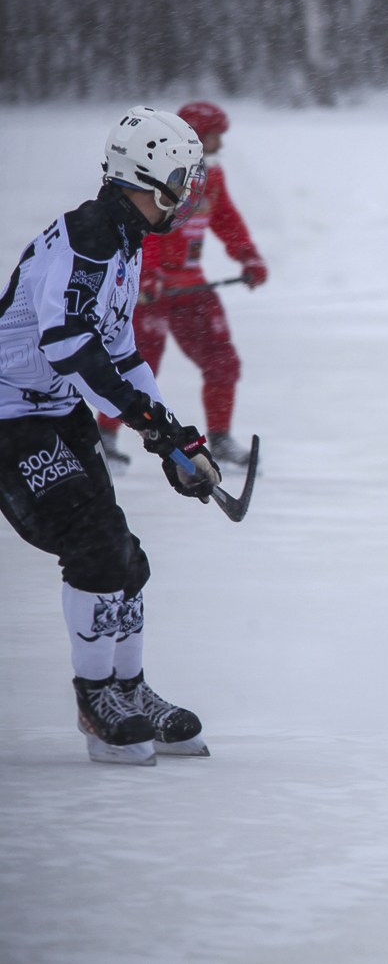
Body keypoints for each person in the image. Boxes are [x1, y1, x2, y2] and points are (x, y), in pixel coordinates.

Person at [1, 106, 222, 765]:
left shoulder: (123, 243)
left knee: (125, 555)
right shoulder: (89, 239)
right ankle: (98, 698)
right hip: (13, 417)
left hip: (57, 410)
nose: (184, 197)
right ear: (145, 180)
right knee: (94, 546)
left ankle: (129, 688)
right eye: (179, 182)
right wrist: (154, 431)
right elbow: (73, 349)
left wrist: (178, 436)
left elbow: (122, 358)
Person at [97, 101, 267, 471]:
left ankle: (220, 438)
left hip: (191, 284)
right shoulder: (164, 176)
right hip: (151, 287)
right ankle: (104, 437)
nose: (220, 143)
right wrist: (149, 274)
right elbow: (149, 226)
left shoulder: (213, 178)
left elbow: (225, 217)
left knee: (221, 358)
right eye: (212, 136)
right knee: (138, 363)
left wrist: (248, 254)